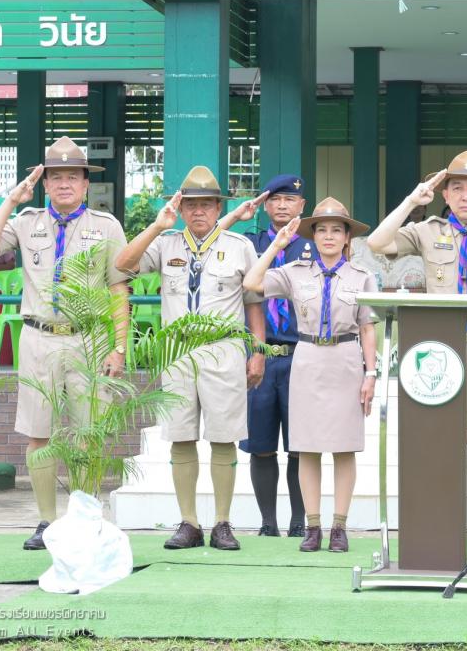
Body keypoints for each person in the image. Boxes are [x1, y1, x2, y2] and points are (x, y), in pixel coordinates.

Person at [366, 150, 467, 563]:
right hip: (438, 347)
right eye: (456, 187)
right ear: (445, 194)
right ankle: (445, 530)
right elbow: (377, 242)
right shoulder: (426, 231)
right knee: (442, 441)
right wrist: (412, 200)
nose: (466, 195)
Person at [0, 137, 130, 551]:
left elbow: (118, 289)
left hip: (89, 339)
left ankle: (86, 519)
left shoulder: (106, 226)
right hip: (38, 338)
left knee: (88, 434)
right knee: (38, 433)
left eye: (72, 177)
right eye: (56, 177)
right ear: (44, 184)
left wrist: (119, 347)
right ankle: (46, 521)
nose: (64, 184)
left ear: (85, 184)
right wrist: (12, 200)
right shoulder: (27, 221)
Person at [114, 166, 268, 551]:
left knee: (224, 437)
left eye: (207, 205)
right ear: (181, 209)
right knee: (180, 437)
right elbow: (123, 264)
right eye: (191, 205)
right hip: (178, 351)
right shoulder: (165, 244)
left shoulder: (238, 245)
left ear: (219, 208)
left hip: (223, 349)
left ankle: (223, 523)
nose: (199, 211)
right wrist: (156, 225)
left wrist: (258, 352)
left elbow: (254, 302)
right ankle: (189, 523)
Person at [244, 198, 378, 552]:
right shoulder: (294, 271)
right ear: (312, 236)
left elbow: (368, 328)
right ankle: (313, 526)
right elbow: (253, 282)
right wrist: (278, 244)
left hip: (346, 358)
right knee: (307, 447)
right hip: (308, 358)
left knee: (345, 447)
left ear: (347, 236)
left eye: (336, 230)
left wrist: (371, 373)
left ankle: (339, 526)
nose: (329, 236)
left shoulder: (362, 277)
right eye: (322, 230)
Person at [220, 174, 312, 538]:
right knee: (260, 446)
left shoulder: (313, 246)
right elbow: (209, 241)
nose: (282, 205)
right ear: (265, 205)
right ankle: (268, 523)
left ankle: (299, 522)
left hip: (301, 353)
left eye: (290, 199)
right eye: (275, 199)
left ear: (301, 206)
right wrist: (236, 214)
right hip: (259, 355)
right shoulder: (250, 243)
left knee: (300, 446)